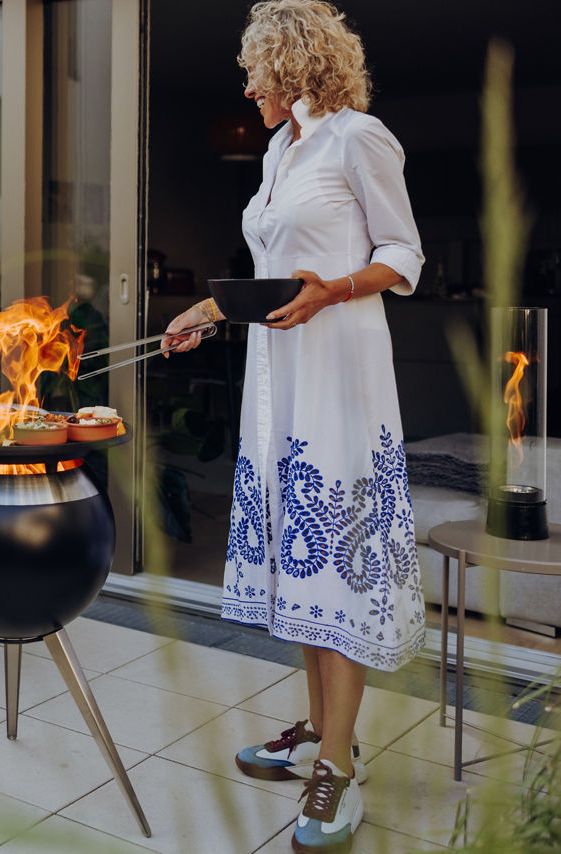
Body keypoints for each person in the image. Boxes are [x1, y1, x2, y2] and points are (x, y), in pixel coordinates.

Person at [162, 2, 425, 851]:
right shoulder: (279, 151)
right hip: (279, 379)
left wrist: (329, 290)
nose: (247, 86)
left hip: (341, 374)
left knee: (337, 573)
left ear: (292, 65)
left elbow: (403, 255)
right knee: (300, 566)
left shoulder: (359, 137)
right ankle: (319, 727)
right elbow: (270, 274)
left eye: (255, 70)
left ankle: (339, 768)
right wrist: (205, 310)